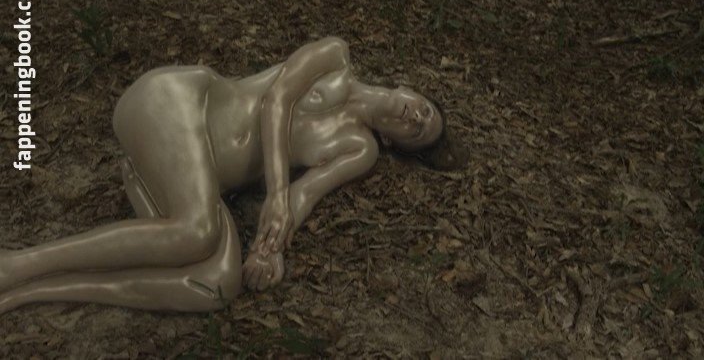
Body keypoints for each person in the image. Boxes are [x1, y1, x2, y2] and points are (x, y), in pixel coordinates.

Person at [0, 37, 452, 314]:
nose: (415, 118)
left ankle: (34, 290)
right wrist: (276, 191)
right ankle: (18, 264)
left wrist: (269, 249)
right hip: (179, 102)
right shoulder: (335, 57)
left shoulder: (360, 148)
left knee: (216, 285)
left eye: (417, 131)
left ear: (394, 142)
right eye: (425, 110)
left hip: (196, 174)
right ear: (409, 89)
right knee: (197, 232)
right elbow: (277, 101)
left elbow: (303, 196)